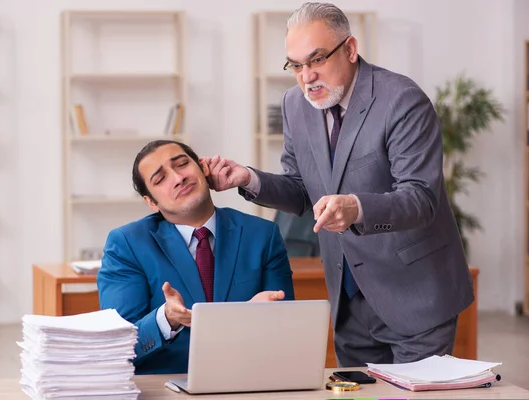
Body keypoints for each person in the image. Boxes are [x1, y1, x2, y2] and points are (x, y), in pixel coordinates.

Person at [204, 2, 474, 367]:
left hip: (414, 295)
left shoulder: (402, 100)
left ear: (349, 49)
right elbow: (302, 191)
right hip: (349, 301)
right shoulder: (295, 105)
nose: (306, 77)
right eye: (296, 65)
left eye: (316, 60)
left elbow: (421, 198)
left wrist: (356, 208)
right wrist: (248, 178)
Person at [97, 140, 295, 375]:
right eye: (160, 179)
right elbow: (119, 346)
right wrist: (166, 319)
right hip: (166, 389)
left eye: (182, 164)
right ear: (151, 202)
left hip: (248, 382)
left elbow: (288, 332)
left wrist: (257, 320)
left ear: (203, 169)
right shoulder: (127, 244)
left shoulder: (262, 234)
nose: (178, 178)